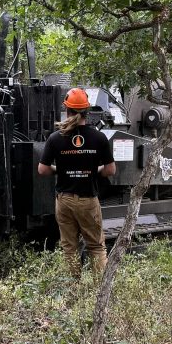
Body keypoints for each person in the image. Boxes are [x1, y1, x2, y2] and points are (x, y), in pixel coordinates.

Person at [38, 88, 116, 278]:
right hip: (88, 200)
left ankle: (73, 289)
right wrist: (93, 170)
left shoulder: (55, 138)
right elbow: (110, 170)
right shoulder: (99, 137)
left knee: (69, 248)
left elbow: (42, 169)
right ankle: (99, 292)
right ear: (87, 111)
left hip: (64, 201)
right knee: (96, 246)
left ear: (67, 109)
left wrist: (61, 169)